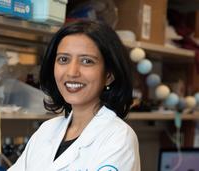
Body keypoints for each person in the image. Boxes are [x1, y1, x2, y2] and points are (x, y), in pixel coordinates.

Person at [8, 20, 140, 171]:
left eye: (86, 61)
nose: (72, 72)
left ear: (109, 75)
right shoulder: (46, 131)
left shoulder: (118, 138)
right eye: (63, 59)